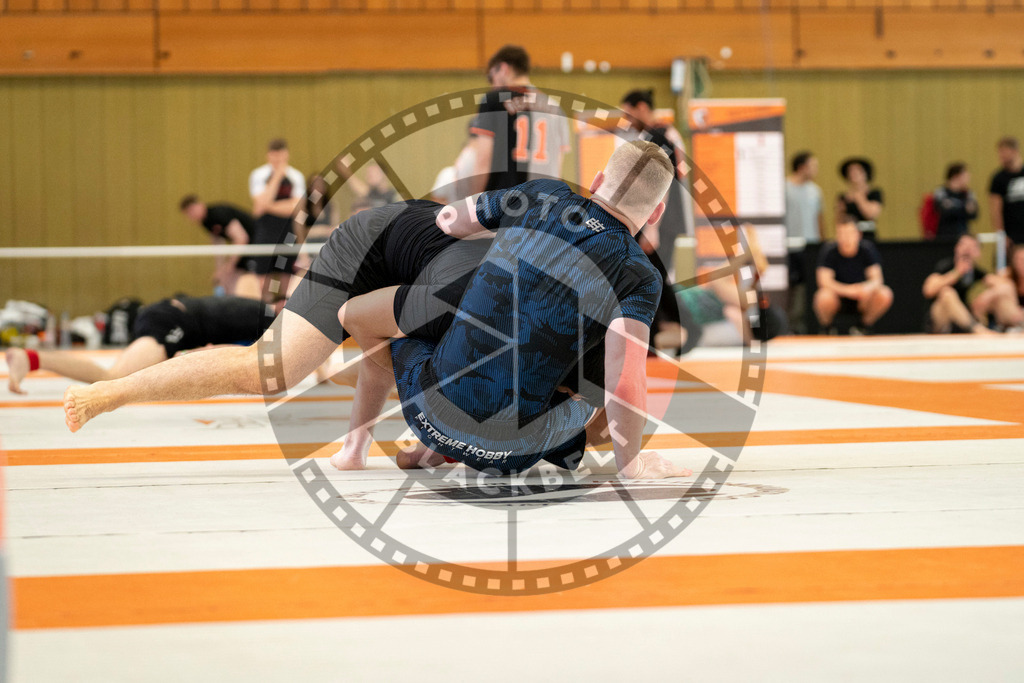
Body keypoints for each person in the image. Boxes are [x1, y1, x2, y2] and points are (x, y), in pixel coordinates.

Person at [335, 141, 691, 480]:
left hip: (427, 415)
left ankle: (368, 444)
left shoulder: (545, 194)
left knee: (413, 324)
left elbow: (449, 219)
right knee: (597, 382)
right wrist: (633, 465)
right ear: (656, 213)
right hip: (511, 454)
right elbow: (625, 382)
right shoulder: (640, 273)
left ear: (597, 181)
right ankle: (459, 445)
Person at [59, 200, 488, 459]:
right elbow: (381, 339)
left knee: (386, 358)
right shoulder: (469, 302)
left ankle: (355, 450)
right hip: (366, 249)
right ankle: (112, 393)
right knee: (268, 369)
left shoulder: (501, 299)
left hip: (409, 255)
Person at [6, 296, 275, 394]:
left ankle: (30, 358)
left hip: (172, 319)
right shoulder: (270, 318)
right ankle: (29, 357)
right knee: (114, 377)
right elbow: (229, 354)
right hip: (171, 321)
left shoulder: (263, 314)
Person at [463, 45, 571, 195]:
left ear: (503, 68)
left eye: (491, 76)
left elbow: (483, 159)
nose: (492, 83)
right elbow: (557, 166)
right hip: (544, 202)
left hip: (503, 201)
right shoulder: (557, 108)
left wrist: (472, 200)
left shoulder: (493, 100)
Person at [619, 88, 687, 272]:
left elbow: (661, 179)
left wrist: (652, 228)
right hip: (666, 218)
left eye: (628, 114)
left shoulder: (657, 135)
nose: (628, 121)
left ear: (641, 107)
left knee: (651, 278)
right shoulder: (667, 132)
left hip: (660, 219)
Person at [923, 235, 1020, 334]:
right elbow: (928, 290)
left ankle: (1017, 325)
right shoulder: (945, 266)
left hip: (962, 320)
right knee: (947, 293)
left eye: (972, 247)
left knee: (1002, 291)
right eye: (964, 245)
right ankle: (977, 329)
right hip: (940, 320)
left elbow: (1004, 285)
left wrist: (986, 297)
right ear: (956, 248)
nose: (967, 249)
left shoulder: (975, 271)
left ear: (978, 253)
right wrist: (956, 273)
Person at [814, 216, 893, 334]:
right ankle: (827, 329)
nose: (846, 238)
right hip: (839, 297)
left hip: (861, 297)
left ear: (858, 234)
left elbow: (877, 279)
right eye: (842, 234)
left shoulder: (867, 249)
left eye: (849, 233)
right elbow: (824, 281)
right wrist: (848, 290)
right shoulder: (829, 251)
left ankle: (864, 326)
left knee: (884, 293)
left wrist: (864, 288)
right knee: (823, 296)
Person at [249, 138, 306, 295]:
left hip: (287, 232)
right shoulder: (259, 174)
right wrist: (277, 176)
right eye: (274, 156)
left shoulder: (296, 176)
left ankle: (281, 310)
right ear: (268, 156)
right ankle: (265, 311)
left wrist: (268, 206)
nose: (277, 159)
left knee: (286, 276)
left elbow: (295, 208)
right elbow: (259, 206)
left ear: (286, 154)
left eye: (280, 155)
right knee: (262, 278)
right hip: (265, 232)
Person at [179, 196, 259, 298]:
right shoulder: (205, 222)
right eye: (188, 214)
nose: (191, 216)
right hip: (246, 248)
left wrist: (230, 265)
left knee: (255, 280)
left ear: (200, 205)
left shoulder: (218, 214)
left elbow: (242, 238)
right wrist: (220, 270)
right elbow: (217, 244)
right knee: (229, 278)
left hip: (258, 247)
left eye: (192, 210)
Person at [785, 151, 823, 332]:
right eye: (813, 165)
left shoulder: (815, 191)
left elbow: (819, 218)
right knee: (789, 287)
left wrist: (821, 242)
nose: (816, 170)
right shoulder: (785, 188)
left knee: (806, 288)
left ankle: (802, 325)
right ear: (802, 167)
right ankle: (789, 325)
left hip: (810, 246)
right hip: (789, 245)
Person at [835, 157, 883, 241]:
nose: (853, 174)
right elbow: (838, 221)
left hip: (868, 235)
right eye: (850, 171)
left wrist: (859, 198)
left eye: (857, 171)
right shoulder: (843, 197)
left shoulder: (874, 193)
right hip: (849, 236)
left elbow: (871, 214)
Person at [989, 136, 1024, 246]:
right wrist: (1001, 234)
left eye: (1004, 152)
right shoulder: (999, 178)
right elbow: (995, 209)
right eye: (1000, 152)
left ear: (1014, 151)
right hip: (1012, 234)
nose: (1001, 155)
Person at [932, 162, 978, 241]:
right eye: (965, 175)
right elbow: (943, 210)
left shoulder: (968, 194)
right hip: (944, 238)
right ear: (956, 176)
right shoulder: (941, 192)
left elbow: (974, 214)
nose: (968, 178)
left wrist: (953, 206)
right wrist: (964, 208)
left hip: (963, 236)